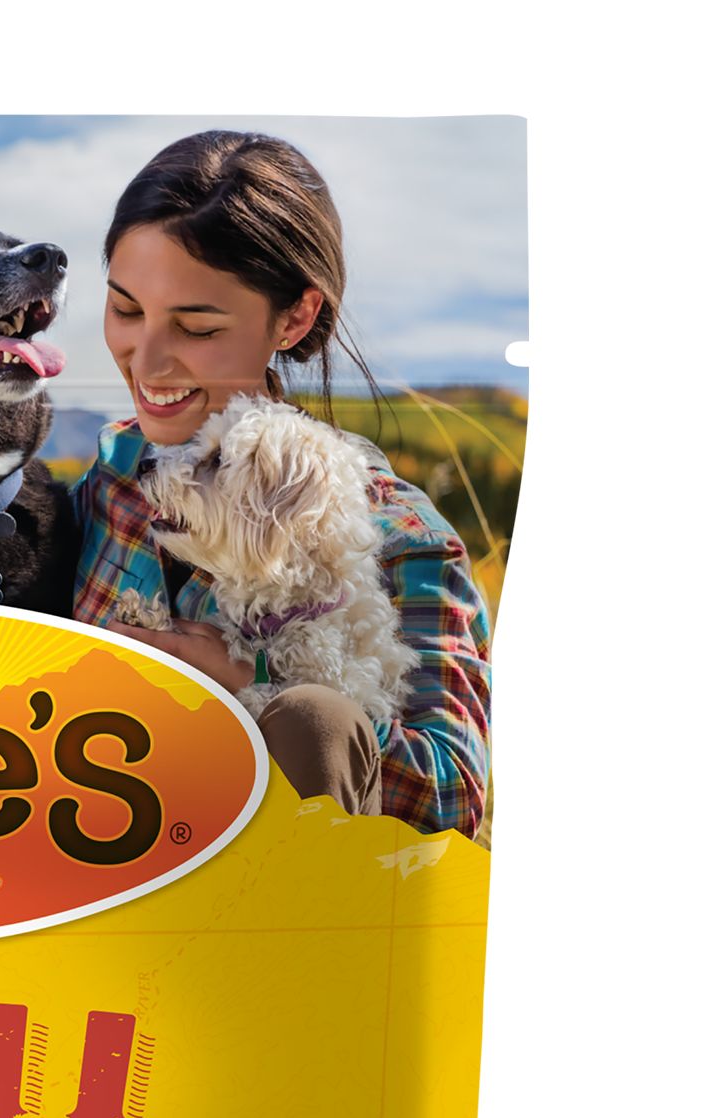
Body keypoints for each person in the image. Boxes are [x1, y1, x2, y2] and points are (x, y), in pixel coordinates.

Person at [74, 131, 492, 837]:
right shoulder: (113, 477)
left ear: (295, 318)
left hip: (281, 896)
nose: (146, 361)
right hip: (96, 869)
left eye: (196, 327)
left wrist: (251, 686)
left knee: (316, 719)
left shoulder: (400, 539)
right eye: (126, 310)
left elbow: (452, 800)